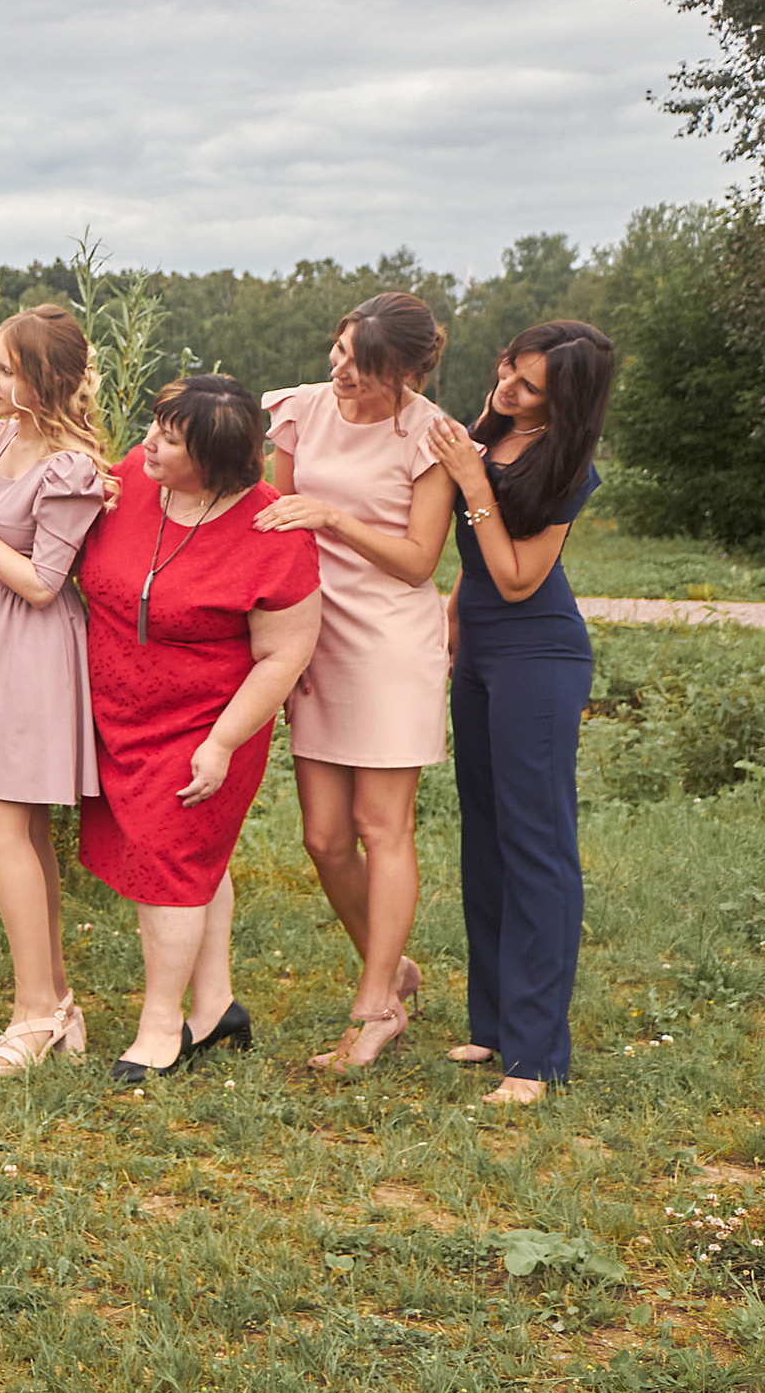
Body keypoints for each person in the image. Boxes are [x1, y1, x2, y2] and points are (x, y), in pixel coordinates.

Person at [77, 377, 320, 1081]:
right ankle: (215, 1009)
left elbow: (285, 654)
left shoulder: (272, 531)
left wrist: (221, 743)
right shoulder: (133, 477)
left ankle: (161, 1028)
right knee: (193, 860)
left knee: (169, 866)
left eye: (170, 438)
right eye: (155, 425)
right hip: (120, 713)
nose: (148, 443)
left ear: (214, 462)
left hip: (206, 722)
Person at [257, 294, 459, 1070]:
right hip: (314, 633)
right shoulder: (301, 411)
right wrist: (276, 645)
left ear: (404, 371)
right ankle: (391, 965)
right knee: (323, 837)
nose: (341, 373)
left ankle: (376, 1007)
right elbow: (271, 522)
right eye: (338, 353)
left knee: (383, 826)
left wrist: (334, 519)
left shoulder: (430, 438)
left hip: (388, 643)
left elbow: (419, 562)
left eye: (362, 367)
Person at [424, 321, 617, 1107]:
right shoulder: (489, 433)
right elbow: (474, 573)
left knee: (537, 845)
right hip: (479, 653)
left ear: (563, 401)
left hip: (539, 656)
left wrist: (473, 484)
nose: (507, 385)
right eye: (509, 367)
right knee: (486, 836)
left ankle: (535, 1058)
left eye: (529, 384)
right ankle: (495, 1024)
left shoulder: (565, 467)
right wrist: (452, 620)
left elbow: (514, 578)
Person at [0, 308, 105, 1076]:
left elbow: (43, 581)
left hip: (32, 647)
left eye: (4, 370)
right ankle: (57, 1002)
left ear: (44, 378)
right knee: (24, 831)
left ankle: (35, 1011)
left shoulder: (70, 468)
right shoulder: (4, 435)